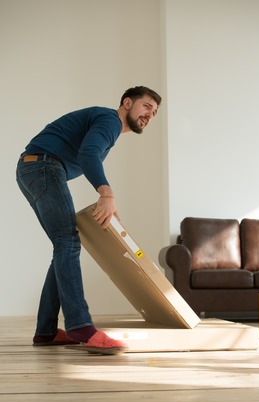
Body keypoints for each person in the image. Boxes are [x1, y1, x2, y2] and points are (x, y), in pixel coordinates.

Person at [16, 86, 161, 354]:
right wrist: (106, 192)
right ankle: (80, 325)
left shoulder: (107, 125)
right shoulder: (110, 120)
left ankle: (46, 331)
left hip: (35, 167)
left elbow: (86, 154)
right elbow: (88, 154)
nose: (149, 114)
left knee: (64, 245)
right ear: (127, 103)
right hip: (44, 166)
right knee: (67, 243)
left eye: (154, 112)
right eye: (146, 106)